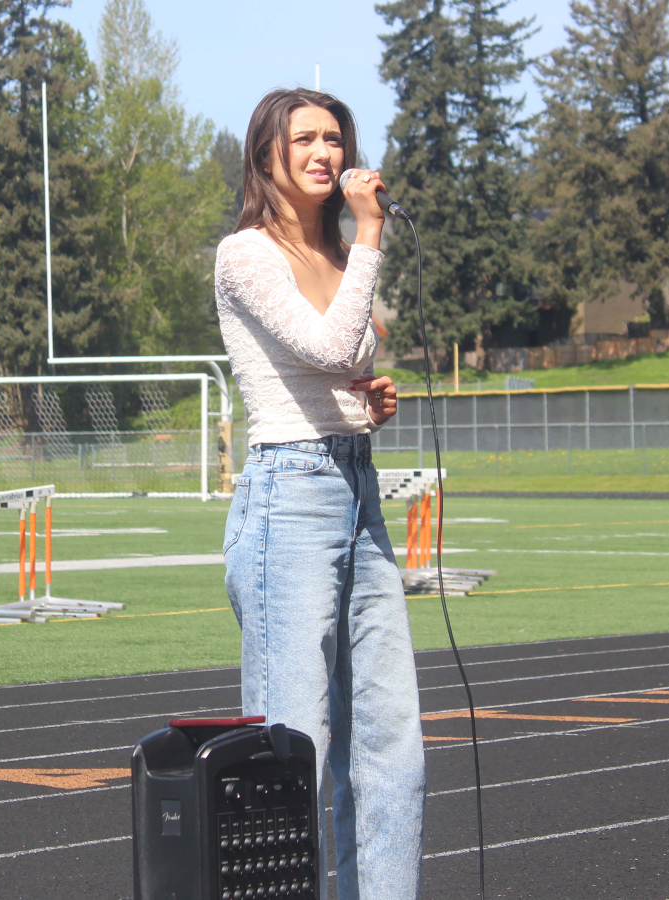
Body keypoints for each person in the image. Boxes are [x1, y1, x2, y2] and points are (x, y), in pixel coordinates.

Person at [214, 88, 425, 900]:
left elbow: (350, 358)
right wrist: (372, 232)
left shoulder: (339, 256)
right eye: (303, 138)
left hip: (357, 488)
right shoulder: (246, 254)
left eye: (334, 139)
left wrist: (366, 400)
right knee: (292, 744)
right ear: (266, 153)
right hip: (288, 498)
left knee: (389, 738)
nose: (324, 153)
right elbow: (334, 341)